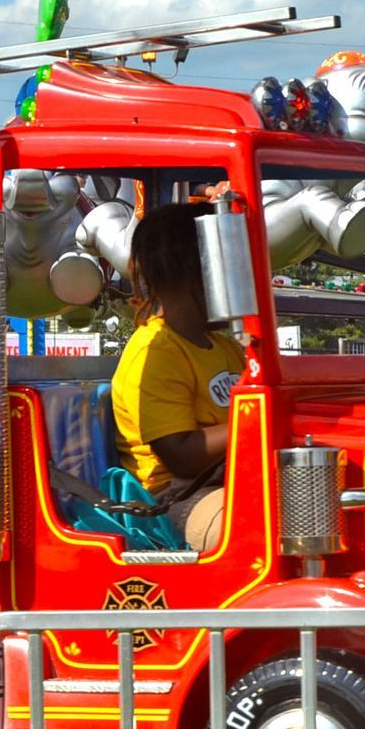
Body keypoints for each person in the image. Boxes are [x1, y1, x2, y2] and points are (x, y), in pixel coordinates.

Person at [109, 202, 246, 554]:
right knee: (254, 527)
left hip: (231, 479)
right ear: (198, 271)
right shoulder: (155, 351)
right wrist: (256, 423)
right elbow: (181, 455)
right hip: (175, 498)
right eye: (228, 265)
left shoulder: (225, 346)